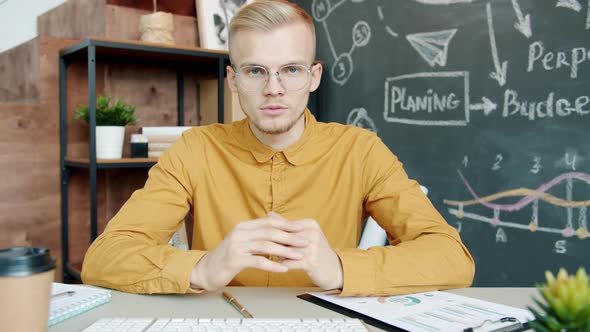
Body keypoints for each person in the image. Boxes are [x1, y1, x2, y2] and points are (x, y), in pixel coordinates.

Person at [81, 0, 474, 296]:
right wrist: (201, 267)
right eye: (256, 71)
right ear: (233, 80)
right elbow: (104, 257)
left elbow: (451, 258)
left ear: (313, 76)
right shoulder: (195, 149)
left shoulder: (361, 150)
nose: (274, 89)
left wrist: (340, 267)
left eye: (290, 69)